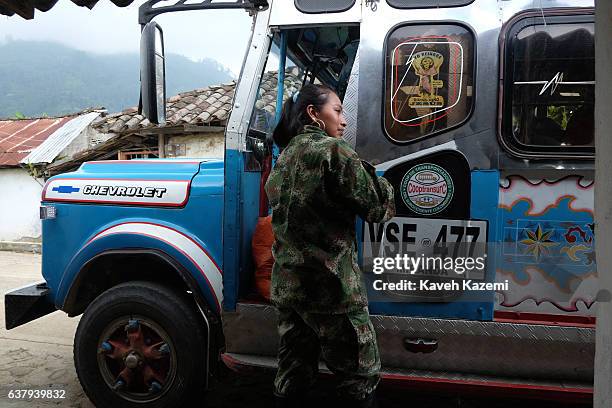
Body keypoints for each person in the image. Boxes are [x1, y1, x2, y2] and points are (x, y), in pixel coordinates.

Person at [265, 84, 396, 408]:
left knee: (292, 375)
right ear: (314, 113)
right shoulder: (334, 152)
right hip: (331, 289)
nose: (344, 120)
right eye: (337, 110)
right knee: (359, 380)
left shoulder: (287, 155)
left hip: (290, 288)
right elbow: (378, 209)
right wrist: (379, 179)